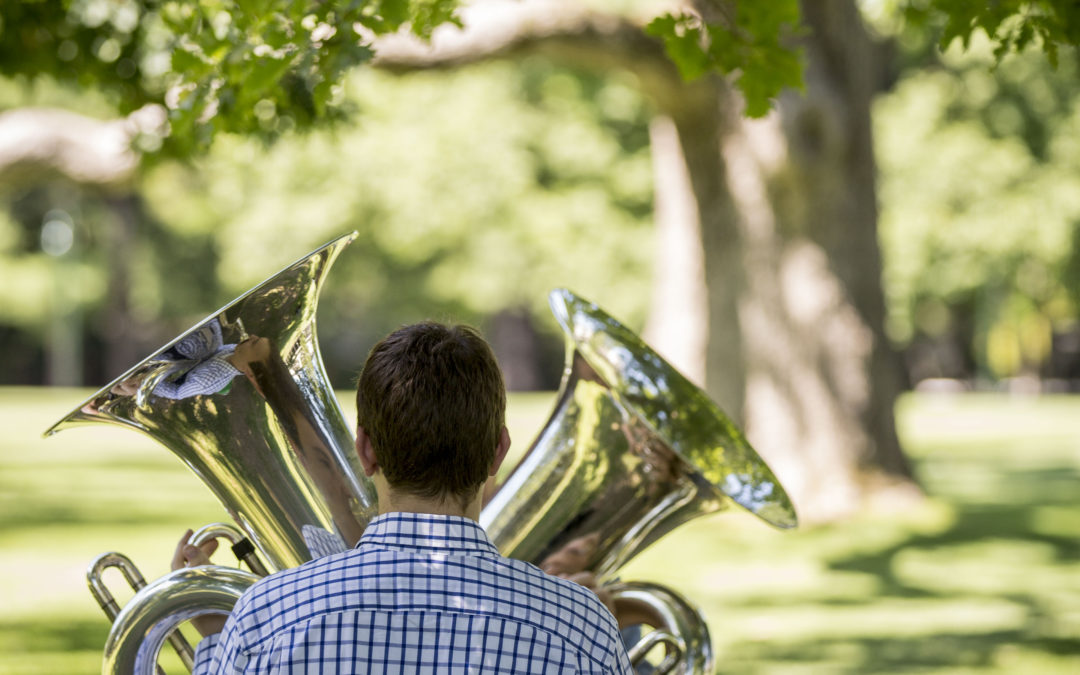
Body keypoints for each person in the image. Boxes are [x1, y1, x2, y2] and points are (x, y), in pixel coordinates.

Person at [175, 321, 634, 674]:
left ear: (365, 450)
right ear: (498, 452)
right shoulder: (581, 626)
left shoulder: (267, 614)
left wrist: (217, 638)